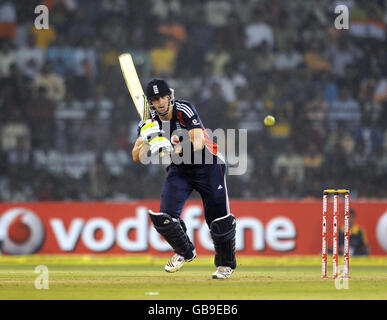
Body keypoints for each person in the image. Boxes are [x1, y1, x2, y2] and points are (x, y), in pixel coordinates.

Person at [131, 79, 236, 279]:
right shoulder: (149, 121)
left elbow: (197, 142)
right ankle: (184, 251)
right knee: (165, 219)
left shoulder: (184, 109)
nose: (160, 102)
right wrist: (146, 139)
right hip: (179, 170)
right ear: (150, 102)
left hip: (208, 165)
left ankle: (225, 265)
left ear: (170, 96)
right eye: (155, 99)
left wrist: (173, 147)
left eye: (163, 97)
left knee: (219, 220)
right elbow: (136, 157)